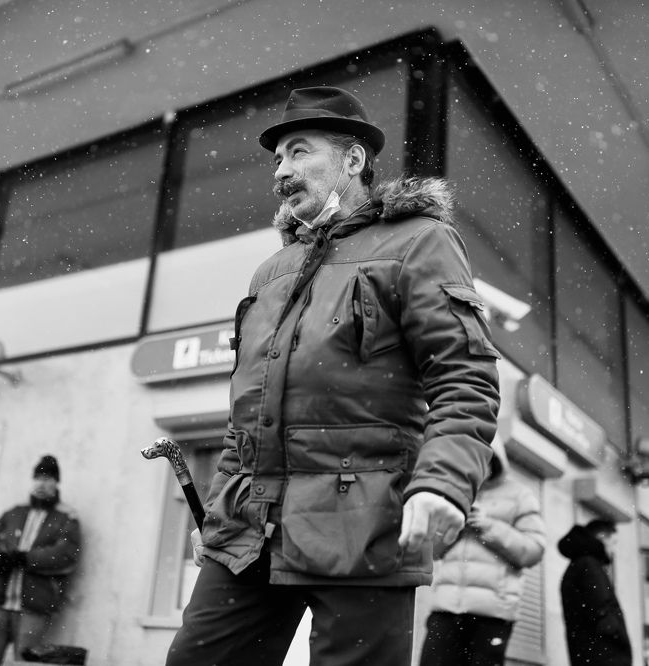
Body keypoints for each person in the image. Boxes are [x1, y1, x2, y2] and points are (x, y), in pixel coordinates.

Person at [165, 86, 501, 666]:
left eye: (299, 152)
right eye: (278, 159)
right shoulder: (271, 272)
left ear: (353, 160)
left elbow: (463, 377)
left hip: (365, 523)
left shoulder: (419, 241)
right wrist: (220, 511)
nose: (282, 171)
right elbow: (246, 418)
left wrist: (443, 483)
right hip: (247, 529)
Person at [419, 435, 545, 666]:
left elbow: (533, 551)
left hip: (492, 614)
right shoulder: (452, 492)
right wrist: (456, 527)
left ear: (494, 459)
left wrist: (488, 527)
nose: (473, 465)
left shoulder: (520, 495)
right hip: (446, 609)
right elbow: (433, 551)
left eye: (480, 458)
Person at [0, 455, 81, 666]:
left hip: (34, 608)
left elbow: (66, 555)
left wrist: (24, 558)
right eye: (38, 478)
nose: (41, 484)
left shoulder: (67, 517)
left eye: (48, 479)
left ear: (56, 483)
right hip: (0, 602)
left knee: (24, 663)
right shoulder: (14, 512)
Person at [558, 519, 631, 666]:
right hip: (604, 656)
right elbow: (601, 608)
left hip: (589, 654)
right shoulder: (589, 565)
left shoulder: (579, 565)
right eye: (613, 543)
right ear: (602, 537)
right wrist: (618, 637)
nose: (614, 550)